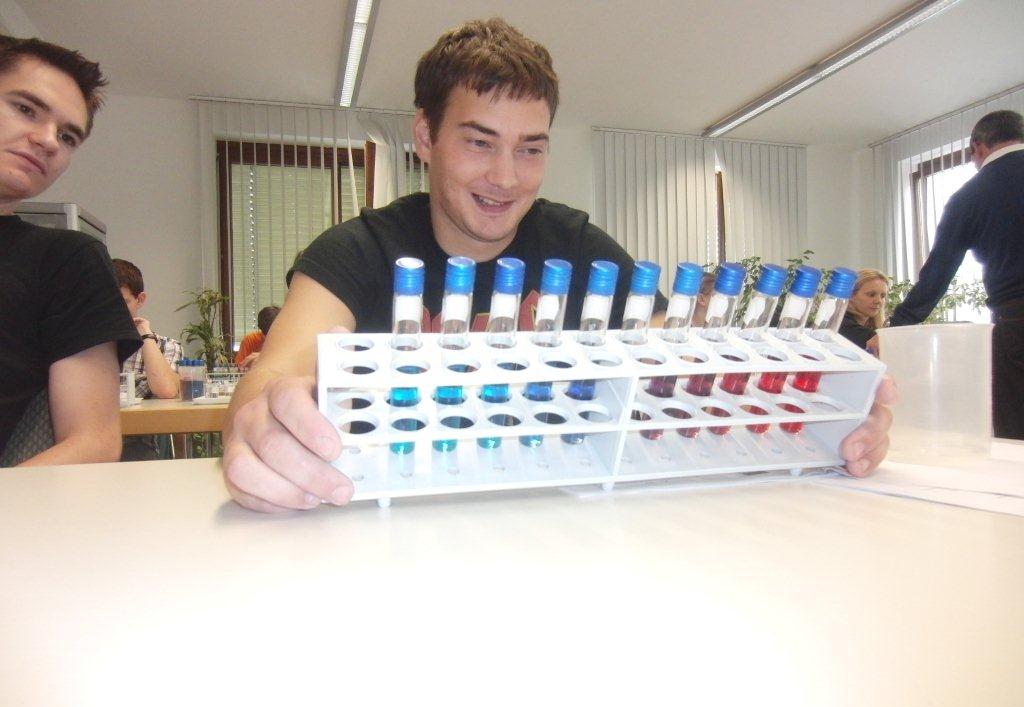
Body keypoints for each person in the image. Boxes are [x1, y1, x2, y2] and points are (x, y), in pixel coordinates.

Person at [222, 18, 896, 513]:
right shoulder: (358, 250)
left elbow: (680, 361)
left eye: (531, 149)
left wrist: (826, 415)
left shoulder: (577, 248)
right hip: (388, 520)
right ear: (425, 136)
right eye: (479, 142)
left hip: (555, 524)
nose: (506, 177)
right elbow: (272, 379)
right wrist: (261, 428)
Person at [0, 35, 139, 465]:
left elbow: (93, 443)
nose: (49, 141)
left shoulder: (65, 260)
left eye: (67, 136)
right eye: (25, 109)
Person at [890, 109, 1024, 439]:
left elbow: (938, 273)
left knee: (1016, 429)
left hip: (1017, 319)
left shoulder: (971, 196)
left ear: (977, 148)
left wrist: (896, 328)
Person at [112, 258, 184, 460]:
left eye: (122, 302)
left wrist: (145, 334)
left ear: (140, 299)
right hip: (88, 436)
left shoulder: (166, 346)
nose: (112, 311)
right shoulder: (83, 346)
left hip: (136, 439)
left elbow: (166, 391)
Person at [839, 269, 888, 354]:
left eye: (882, 296)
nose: (879, 301)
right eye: (871, 295)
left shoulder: (873, 325)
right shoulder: (841, 323)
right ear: (851, 295)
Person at [235, 305, 280, 369]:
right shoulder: (250, 340)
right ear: (260, 328)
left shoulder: (289, 341)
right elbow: (240, 367)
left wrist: (265, 357)